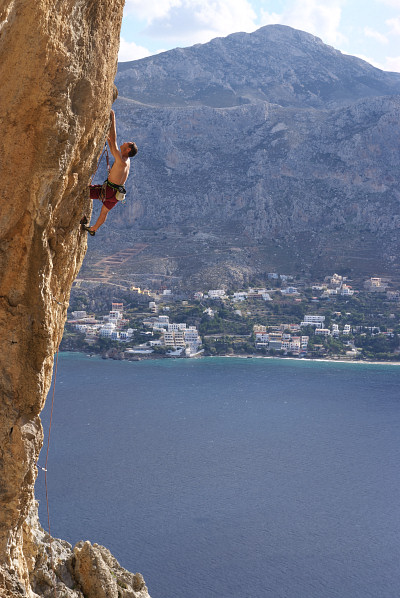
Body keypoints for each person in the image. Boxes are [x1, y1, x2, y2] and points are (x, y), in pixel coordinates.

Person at [81, 109, 138, 236]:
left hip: (109, 190)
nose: (124, 142)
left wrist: (112, 118)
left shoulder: (121, 160)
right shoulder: (126, 161)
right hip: (118, 194)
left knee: (84, 192)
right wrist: (108, 141)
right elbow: (112, 145)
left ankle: (81, 217)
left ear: (128, 149)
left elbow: (113, 140)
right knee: (104, 212)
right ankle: (94, 228)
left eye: (126, 143)